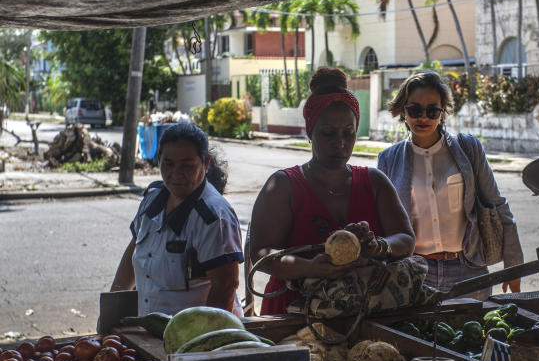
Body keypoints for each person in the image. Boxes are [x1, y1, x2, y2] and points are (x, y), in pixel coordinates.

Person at [250, 68, 414, 314]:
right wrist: (309, 267)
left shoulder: (375, 182)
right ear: (310, 131)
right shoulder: (283, 186)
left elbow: (405, 239)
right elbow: (261, 253)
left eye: (348, 133)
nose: (340, 142)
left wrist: (378, 246)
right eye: (328, 133)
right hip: (293, 316)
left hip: (363, 316)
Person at [377, 71, 523, 300]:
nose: (423, 117)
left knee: (474, 333)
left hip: (468, 269)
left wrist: (513, 264)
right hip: (415, 273)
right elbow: (382, 223)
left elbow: (496, 203)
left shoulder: (468, 149)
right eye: (414, 110)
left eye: (432, 110)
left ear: (443, 111)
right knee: (419, 336)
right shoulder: (388, 160)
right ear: (403, 111)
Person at [111, 122, 244, 316]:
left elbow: (225, 286)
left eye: (187, 165)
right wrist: (113, 311)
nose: (176, 174)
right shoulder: (152, 200)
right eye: (168, 164)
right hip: (150, 331)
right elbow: (132, 254)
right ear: (159, 161)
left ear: (206, 163)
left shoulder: (214, 217)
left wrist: (201, 341)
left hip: (193, 337)